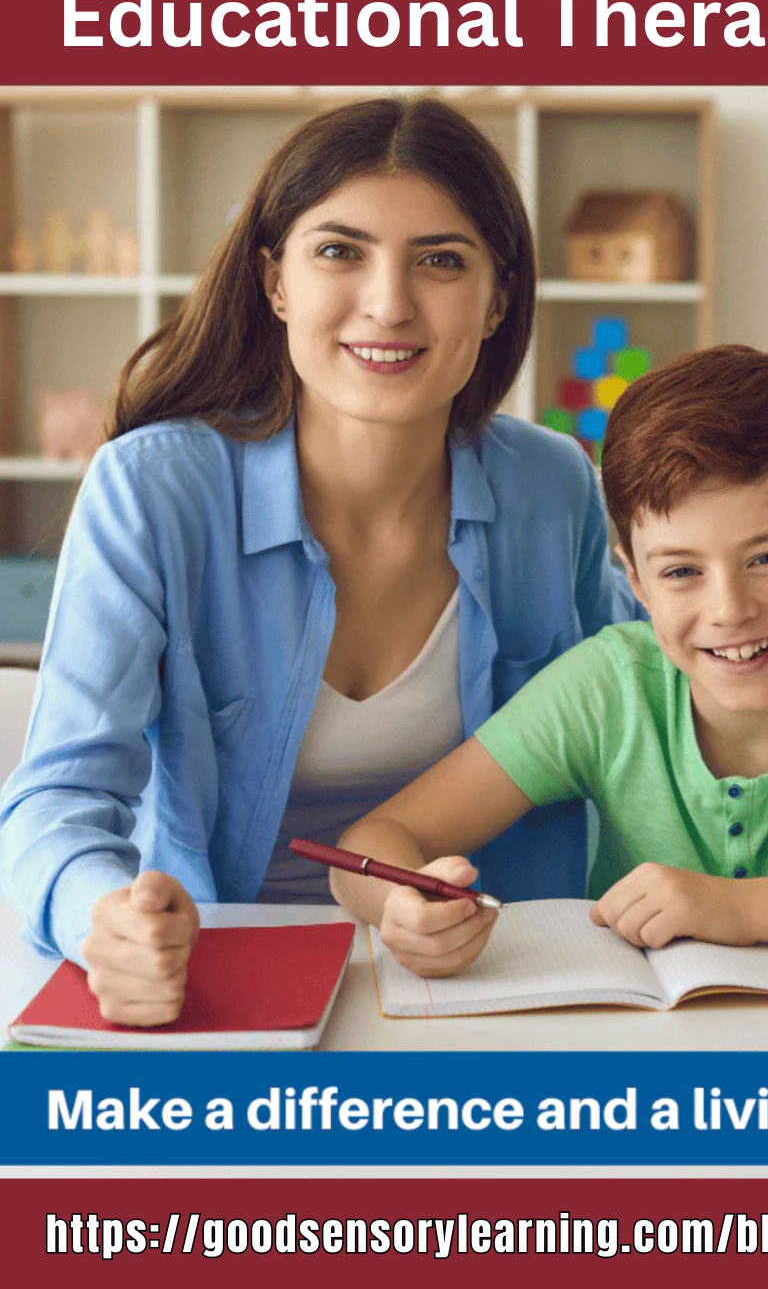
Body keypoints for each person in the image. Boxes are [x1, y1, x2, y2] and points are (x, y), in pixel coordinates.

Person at [0, 98, 642, 1025]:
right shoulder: (152, 491)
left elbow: (654, 704)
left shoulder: (553, 487)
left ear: (498, 298)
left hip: (495, 977)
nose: (389, 301)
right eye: (340, 251)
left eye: (441, 260)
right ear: (276, 283)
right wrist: (101, 920)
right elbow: (60, 792)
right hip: (220, 980)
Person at [332, 345, 768, 975]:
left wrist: (732, 910)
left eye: (767, 558)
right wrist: (400, 905)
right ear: (636, 581)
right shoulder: (608, 687)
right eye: (682, 571)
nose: (730, 609)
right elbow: (370, 842)